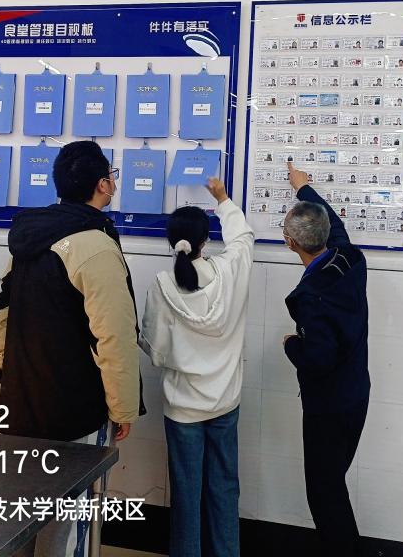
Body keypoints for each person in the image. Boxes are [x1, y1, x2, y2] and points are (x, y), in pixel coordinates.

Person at [0, 140, 142, 557]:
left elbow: (4, 308)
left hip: (20, 399)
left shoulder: (28, 238)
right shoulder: (94, 245)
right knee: (68, 523)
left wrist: (4, 369)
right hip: (75, 408)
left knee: (20, 514)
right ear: (103, 185)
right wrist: (123, 406)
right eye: (111, 176)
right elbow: (114, 335)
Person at [139, 178, 253, 557]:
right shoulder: (230, 271)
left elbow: (156, 351)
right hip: (225, 402)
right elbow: (243, 239)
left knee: (186, 495)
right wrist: (223, 200)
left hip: (183, 408)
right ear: (206, 239)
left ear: (171, 241)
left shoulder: (162, 285)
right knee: (225, 487)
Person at [280, 161, 370, 553]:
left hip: (328, 408)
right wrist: (303, 188)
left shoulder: (311, 297)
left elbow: (318, 359)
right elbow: (335, 224)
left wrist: (290, 345)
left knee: (324, 492)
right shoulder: (350, 259)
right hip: (356, 394)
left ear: (290, 243)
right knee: (333, 482)